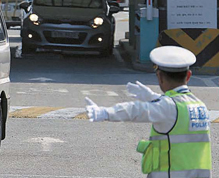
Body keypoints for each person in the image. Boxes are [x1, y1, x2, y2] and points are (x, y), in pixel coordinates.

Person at [85, 46, 211, 177]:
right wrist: (153, 97)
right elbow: (175, 108)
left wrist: (105, 112)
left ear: (160, 77)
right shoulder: (200, 106)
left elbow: (136, 110)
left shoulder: (167, 107)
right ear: (189, 75)